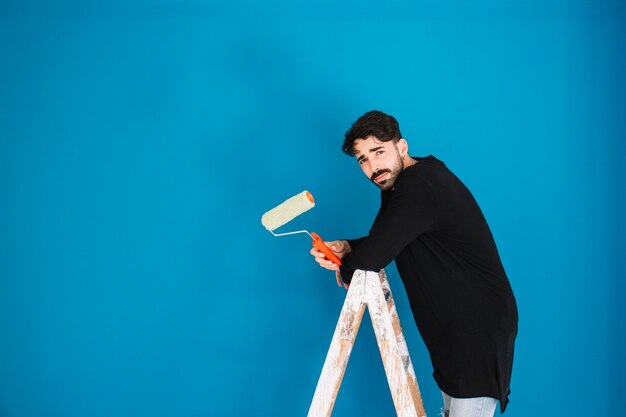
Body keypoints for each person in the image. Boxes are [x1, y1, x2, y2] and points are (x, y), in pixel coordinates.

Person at [310, 110, 518, 417]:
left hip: (476, 328)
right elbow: (386, 237)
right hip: (455, 327)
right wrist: (347, 247)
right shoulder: (401, 184)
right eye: (362, 159)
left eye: (378, 152)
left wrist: (346, 265)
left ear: (401, 146)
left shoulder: (421, 186)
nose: (372, 167)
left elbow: (373, 257)